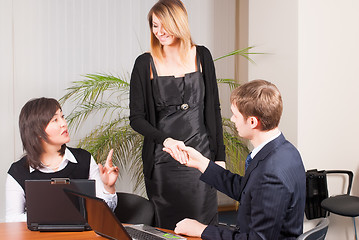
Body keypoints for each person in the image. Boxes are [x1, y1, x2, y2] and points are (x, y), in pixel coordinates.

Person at [164, 80, 306, 239]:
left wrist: (201, 230)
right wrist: (201, 163)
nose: (232, 119)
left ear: (252, 122)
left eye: (235, 115)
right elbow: (248, 191)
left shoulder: (271, 173)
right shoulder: (287, 151)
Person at [129, 0, 225, 230]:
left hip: (201, 157)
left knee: (203, 226)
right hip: (164, 160)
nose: (160, 32)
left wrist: (219, 157)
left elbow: (213, 109)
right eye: (154, 26)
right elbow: (137, 118)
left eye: (165, 25)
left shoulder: (202, 56)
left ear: (179, 23)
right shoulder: (144, 63)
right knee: (167, 228)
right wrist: (166, 140)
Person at [6, 97, 119, 222]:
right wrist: (60, 216)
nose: (64, 123)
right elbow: (13, 220)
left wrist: (108, 187)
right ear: (37, 132)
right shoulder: (18, 172)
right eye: (55, 120)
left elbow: (104, 214)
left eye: (62, 116)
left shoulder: (84, 159)